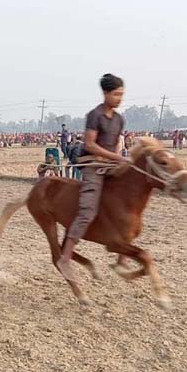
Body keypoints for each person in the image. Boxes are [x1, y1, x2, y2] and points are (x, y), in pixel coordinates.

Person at [57, 74, 127, 281]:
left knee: (124, 204)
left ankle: (122, 259)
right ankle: (66, 256)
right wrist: (115, 157)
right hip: (93, 166)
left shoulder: (119, 119)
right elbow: (90, 144)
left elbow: (116, 142)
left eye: (121, 94)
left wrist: (117, 160)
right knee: (88, 209)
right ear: (105, 93)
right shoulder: (94, 115)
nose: (119, 98)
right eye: (116, 94)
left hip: (110, 165)